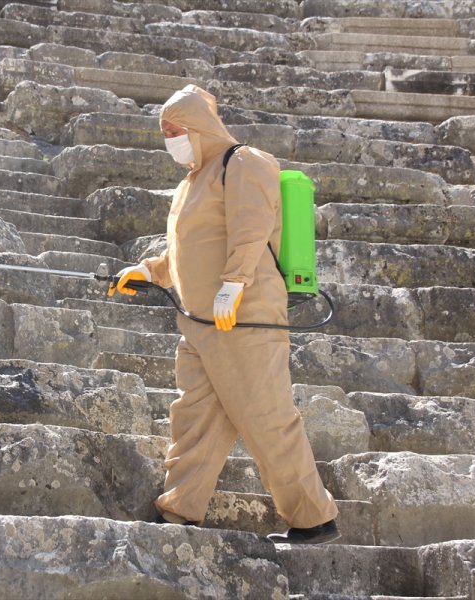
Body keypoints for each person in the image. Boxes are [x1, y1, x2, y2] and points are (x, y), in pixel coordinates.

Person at [109, 84, 340, 544]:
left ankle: (313, 518)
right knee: (194, 418)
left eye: (175, 131)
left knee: (266, 417)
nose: (170, 140)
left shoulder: (244, 162)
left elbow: (250, 226)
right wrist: (148, 271)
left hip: (244, 317)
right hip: (199, 323)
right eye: (166, 133)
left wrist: (234, 284)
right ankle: (180, 509)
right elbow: (188, 250)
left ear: (197, 127)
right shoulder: (190, 182)